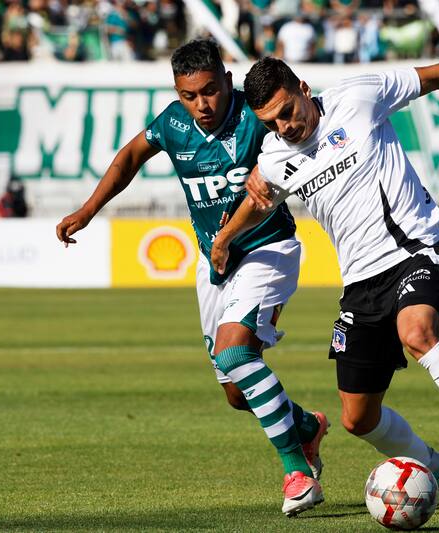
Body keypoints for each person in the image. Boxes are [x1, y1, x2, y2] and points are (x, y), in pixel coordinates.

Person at [212, 55, 439, 496]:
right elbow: (259, 198)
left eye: (287, 111)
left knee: (417, 333)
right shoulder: (275, 156)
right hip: (360, 284)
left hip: (414, 252)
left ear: (303, 88)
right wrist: (225, 237)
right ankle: (433, 464)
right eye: (271, 122)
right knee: (357, 419)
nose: (284, 127)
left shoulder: (359, 96)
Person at [55, 40, 328, 517]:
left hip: (267, 249)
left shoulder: (256, 117)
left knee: (235, 353)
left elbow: (306, 139)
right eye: (189, 95)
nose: (201, 104)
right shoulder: (173, 124)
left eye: (210, 90)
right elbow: (130, 156)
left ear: (227, 80)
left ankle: (297, 473)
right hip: (214, 263)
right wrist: (89, 209)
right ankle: (305, 426)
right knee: (236, 392)